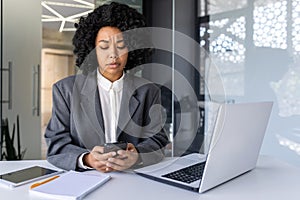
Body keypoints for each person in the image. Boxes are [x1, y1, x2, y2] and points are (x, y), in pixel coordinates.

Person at [45, 2, 169, 172]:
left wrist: (138, 156)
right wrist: (87, 159)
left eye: (121, 46)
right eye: (104, 46)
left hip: (133, 181)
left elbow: (158, 139)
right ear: (92, 50)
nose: (113, 55)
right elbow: (56, 144)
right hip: (84, 180)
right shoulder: (65, 90)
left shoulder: (148, 90)